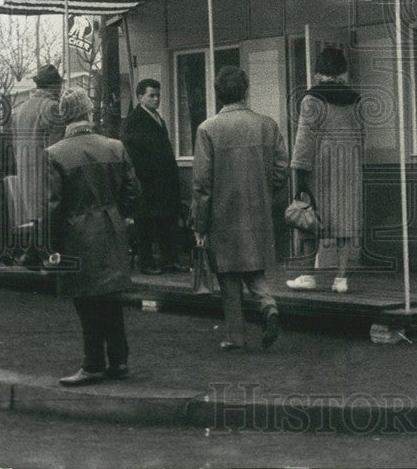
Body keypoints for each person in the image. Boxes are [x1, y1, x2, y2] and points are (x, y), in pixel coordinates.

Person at [45, 88, 140, 386]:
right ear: (88, 112)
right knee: (111, 298)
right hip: (112, 227)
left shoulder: (55, 154)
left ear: (65, 116)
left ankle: (93, 363)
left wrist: (52, 245)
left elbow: (53, 206)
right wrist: (117, 213)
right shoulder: (115, 146)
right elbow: (133, 192)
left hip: (77, 234)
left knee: (85, 302)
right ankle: (120, 360)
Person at [191, 66, 287, 351]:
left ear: (218, 93)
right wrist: (264, 190)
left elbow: (202, 183)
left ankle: (235, 336)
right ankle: (269, 306)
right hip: (257, 208)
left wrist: (199, 224)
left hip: (222, 212)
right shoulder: (267, 125)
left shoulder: (208, 129)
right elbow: (281, 167)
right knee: (254, 267)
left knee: (228, 275)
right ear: (246, 91)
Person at [286, 47, 364, 294]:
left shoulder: (312, 99)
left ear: (319, 72)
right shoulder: (356, 99)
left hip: (320, 169)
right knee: (345, 222)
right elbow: (362, 136)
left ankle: (308, 275)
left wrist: (298, 173)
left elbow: (303, 140)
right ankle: (341, 279)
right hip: (349, 168)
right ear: (343, 72)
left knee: (310, 219)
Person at [120, 78, 184, 274]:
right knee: (145, 225)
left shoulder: (158, 118)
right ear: (140, 97)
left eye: (158, 95)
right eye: (152, 95)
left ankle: (169, 261)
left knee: (167, 222)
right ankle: (146, 264)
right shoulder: (133, 121)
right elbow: (133, 155)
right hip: (146, 182)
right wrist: (146, 176)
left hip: (164, 182)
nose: (156, 99)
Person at [10, 63, 65, 263]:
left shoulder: (21, 108)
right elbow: (57, 148)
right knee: (50, 215)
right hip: (46, 171)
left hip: (26, 171)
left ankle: (32, 253)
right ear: (55, 86)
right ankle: (45, 257)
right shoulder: (52, 107)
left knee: (36, 216)